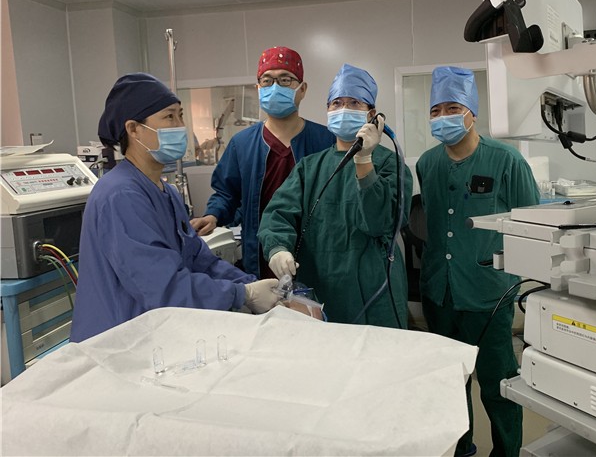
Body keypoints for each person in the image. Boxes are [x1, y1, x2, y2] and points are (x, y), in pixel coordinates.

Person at [70, 73, 281, 343]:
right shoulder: (120, 195)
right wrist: (242, 295)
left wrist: (250, 284)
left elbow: (199, 261)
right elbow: (162, 288)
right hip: (118, 341)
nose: (181, 126)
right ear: (133, 129)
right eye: (169, 117)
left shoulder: (166, 192)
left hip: (154, 335)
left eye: (181, 115)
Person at [416, 66, 540, 457]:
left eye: (452, 108)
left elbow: (530, 224)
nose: (443, 117)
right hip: (440, 292)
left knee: (497, 383)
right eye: (435, 111)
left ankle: (507, 452)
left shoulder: (507, 161)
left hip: (489, 294)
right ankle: (461, 449)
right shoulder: (427, 164)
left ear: (472, 112)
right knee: (451, 383)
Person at [258, 64, 413, 328]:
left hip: (374, 290)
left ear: (372, 115)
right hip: (319, 288)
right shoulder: (309, 168)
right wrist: (277, 248)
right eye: (337, 103)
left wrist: (364, 161)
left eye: (354, 103)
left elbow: (379, 223)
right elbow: (278, 214)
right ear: (328, 110)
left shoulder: (390, 164)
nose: (343, 109)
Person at [190, 47, 335, 279]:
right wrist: (213, 215)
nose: (275, 87)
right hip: (261, 256)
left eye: (285, 80)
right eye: (267, 80)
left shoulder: (325, 141)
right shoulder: (242, 144)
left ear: (302, 89)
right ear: (258, 88)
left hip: (316, 254)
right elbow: (227, 193)